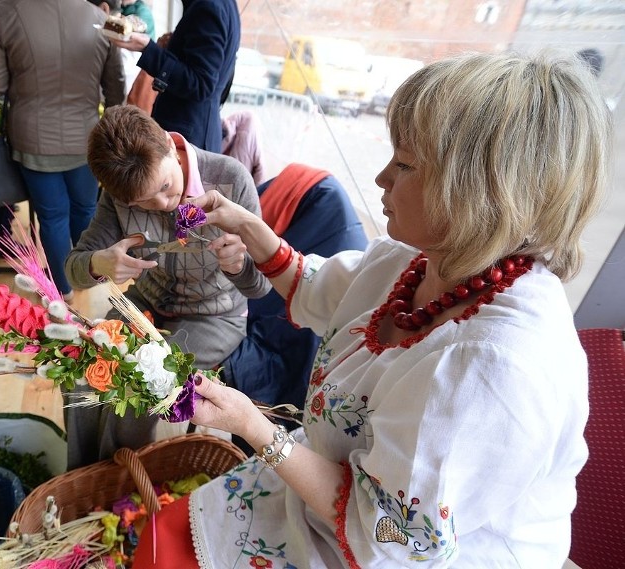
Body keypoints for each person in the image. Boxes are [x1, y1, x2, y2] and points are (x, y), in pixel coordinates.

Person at [131, 51, 611, 568]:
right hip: (331, 496)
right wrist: (249, 226)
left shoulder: (491, 368)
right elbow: (321, 289)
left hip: (386, 547)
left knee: (164, 553)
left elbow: (387, 534)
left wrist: (254, 426)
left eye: (404, 164)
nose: (381, 177)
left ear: (479, 193)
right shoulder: (420, 261)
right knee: (159, 538)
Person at [64, 104, 271, 469]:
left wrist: (238, 266)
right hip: (144, 305)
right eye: (141, 203)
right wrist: (100, 263)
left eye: (164, 187)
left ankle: (120, 486)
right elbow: (73, 270)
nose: (161, 204)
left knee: (143, 378)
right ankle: (81, 480)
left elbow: (262, 286)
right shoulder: (118, 193)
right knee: (81, 368)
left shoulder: (229, 177)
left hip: (214, 317)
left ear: (168, 145)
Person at [0, 0, 124, 299]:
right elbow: (116, 87)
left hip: (33, 136)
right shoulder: (100, 17)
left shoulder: (5, 12)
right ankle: (89, 279)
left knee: (53, 216)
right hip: (86, 136)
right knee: (86, 209)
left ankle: (64, 290)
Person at [109, 0, 240, 152]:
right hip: (198, 131)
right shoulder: (223, 4)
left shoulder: (208, 6)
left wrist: (147, 48)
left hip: (188, 138)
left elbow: (201, 84)